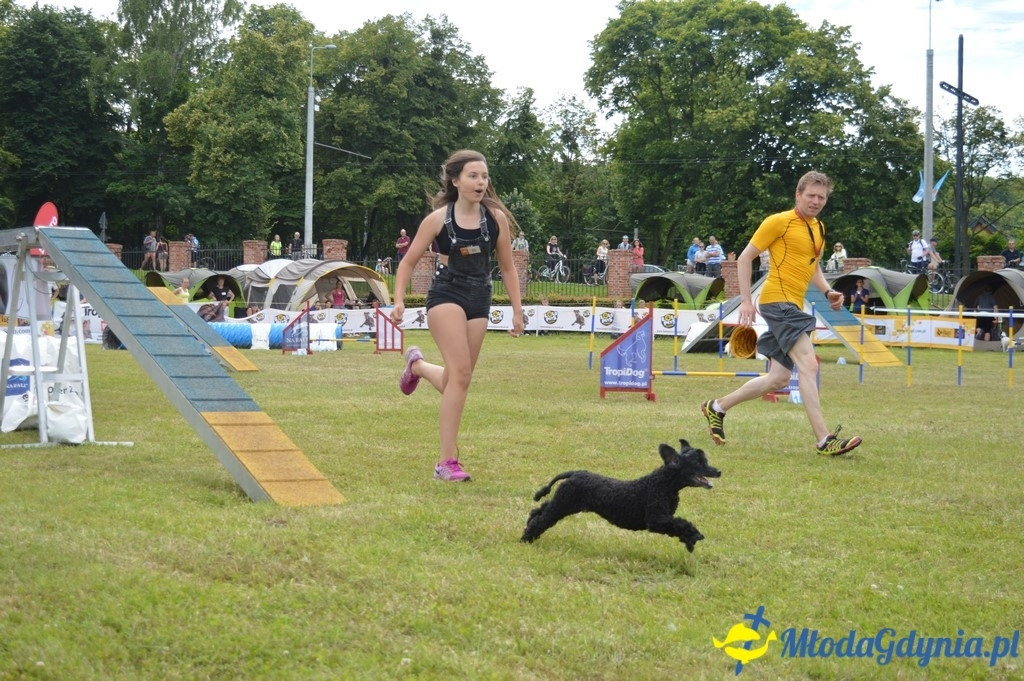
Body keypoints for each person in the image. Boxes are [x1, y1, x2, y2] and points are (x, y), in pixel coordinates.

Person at [700, 170, 862, 457]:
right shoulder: (778, 221)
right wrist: (747, 301)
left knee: (778, 379)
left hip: (792, 305)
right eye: (810, 195)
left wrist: (827, 292)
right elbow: (746, 258)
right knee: (809, 364)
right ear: (798, 195)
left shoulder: (819, 228)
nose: (815, 201)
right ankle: (824, 440)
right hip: (778, 302)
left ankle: (718, 407)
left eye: (821, 197)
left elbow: (812, 267)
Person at [389, 149, 524, 482]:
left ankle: (417, 366)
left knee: (456, 379)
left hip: (480, 296)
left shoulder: (496, 220)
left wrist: (518, 312)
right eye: (473, 176)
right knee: (461, 374)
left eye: (484, 176)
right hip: (446, 293)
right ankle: (445, 462)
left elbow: (507, 268)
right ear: (456, 180)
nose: (481, 182)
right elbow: (406, 263)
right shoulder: (438, 220)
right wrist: (398, 301)